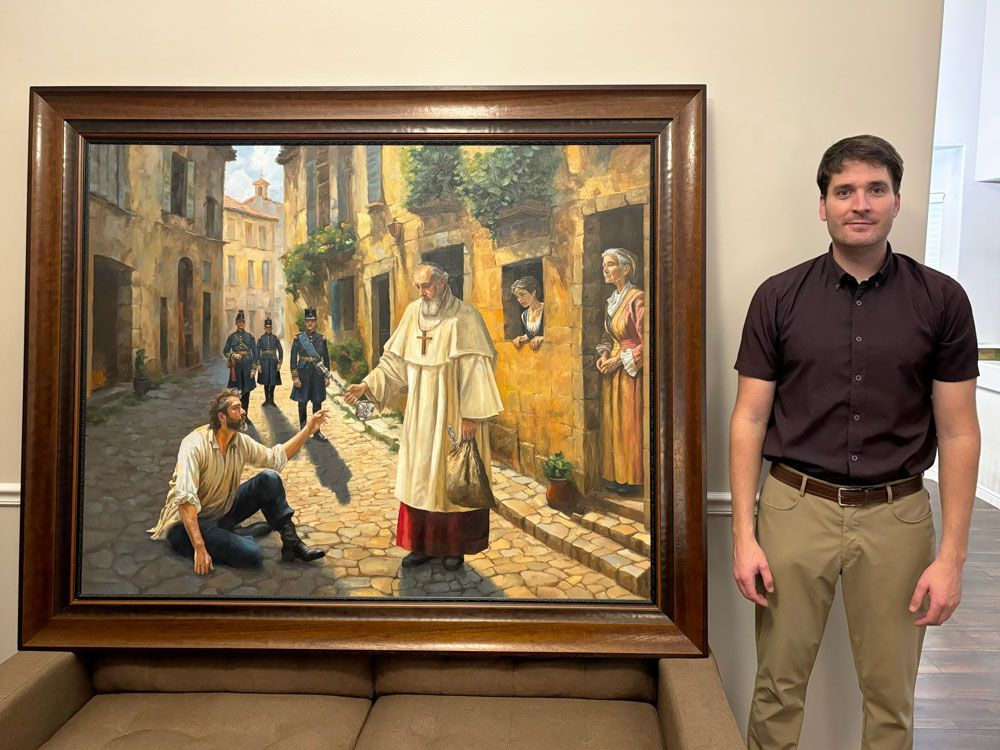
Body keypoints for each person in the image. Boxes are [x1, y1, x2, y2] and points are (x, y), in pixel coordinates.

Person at [730, 135, 981, 749]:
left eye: (875, 190)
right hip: (795, 507)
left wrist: (951, 557)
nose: (860, 203)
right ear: (823, 206)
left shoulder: (942, 301)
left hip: (898, 516)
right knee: (777, 686)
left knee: (892, 695)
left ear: (897, 201)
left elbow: (958, 430)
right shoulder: (778, 297)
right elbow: (748, 419)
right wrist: (743, 534)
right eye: (844, 191)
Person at [344, 263, 503, 572]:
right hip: (420, 416)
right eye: (418, 287)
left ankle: (454, 547)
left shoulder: (465, 318)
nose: (422, 293)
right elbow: (395, 364)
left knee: (451, 480)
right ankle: (423, 545)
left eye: (427, 286)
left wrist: (470, 416)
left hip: (454, 414)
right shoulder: (412, 314)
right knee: (420, 477)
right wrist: (366, 384)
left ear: (443, 282)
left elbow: (476, 370)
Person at [148, 389, 327, 572]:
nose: (243, 412)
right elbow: (185, 501)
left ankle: (292, 545)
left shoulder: (240, 441)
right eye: (236, 408)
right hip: (186, 525)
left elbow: (275, 458)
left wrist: (308, 430)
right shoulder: (194, 444)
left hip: (220, 511)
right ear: (222, 417)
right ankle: (237, 535)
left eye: (241, 407)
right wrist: (200, 548)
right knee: (252, 555)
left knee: (269, 479)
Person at [595, 248, 644, 495]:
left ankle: (631, 478)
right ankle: (616, 475)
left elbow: (649, 342)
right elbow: (608, 336)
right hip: (613, 369)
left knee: (629, 423)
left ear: (626, 269)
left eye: (611, 265)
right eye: (604, 265)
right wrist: (604, 355)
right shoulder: (612, 301)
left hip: (630, 372)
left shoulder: (637, 298)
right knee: (613, 423)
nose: (605, 269)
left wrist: (621, 360)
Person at [290, 308, 330, 443]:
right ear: (305, 323)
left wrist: (326, 376)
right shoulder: (298, 338)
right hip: (303, 373)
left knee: (317, 403)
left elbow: (326, 359)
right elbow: (292, 359)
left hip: (317, 374)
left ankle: (317, 432)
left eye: (312, 321)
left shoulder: (321, 339)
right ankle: (303, 431)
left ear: (316, 322)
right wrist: (295, 377)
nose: (310, 323)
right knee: (302, 403)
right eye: (308, 321)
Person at [222, 310, 258, 420]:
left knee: (246, 392)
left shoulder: (250, 337)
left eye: (243, 322)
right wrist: (232, 355)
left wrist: (253, 368)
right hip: (236, 367)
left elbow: (255, 353)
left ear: (245, 323)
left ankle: (245, 416)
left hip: (247, 366)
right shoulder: (231, 337)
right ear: (236, 323)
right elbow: (225, 351)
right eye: (239, 322)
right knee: (235, 392)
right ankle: (235, 416)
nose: (241, 324)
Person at [510, 276, 544, 350]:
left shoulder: (546, 310)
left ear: (533, 292)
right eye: (517, 297)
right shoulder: (524, 315)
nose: (520, 300)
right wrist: (522, 338)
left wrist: (544, 338)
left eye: (522, 294)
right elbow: (531, 335)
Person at [256, 317, 283, 406]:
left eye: (270, 328)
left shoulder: (275, 338)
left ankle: (272, 400)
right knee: (265, 381)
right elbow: (257, 352)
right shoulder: (261, 338)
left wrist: (279, 362)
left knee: (273, 381)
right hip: (264, 362)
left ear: (272, 328)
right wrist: (259, 364)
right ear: (264, 328)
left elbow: (280, 350)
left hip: (273, 361)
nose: (269, 329)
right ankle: (267, 400)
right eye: (267, 328)